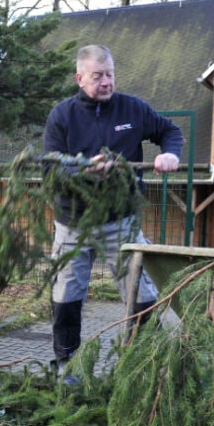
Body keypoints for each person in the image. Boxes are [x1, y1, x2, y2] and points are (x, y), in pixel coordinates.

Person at [42, 44, 183, 384]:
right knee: (67, 292)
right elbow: (51, 169)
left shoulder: (132, 108)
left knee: (140, 291)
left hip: (121, 220)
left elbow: (170, 131)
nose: (106, 83)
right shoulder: (62, 116)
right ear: (79, 78)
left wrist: (170, 154)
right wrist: (80, 172)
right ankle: (67, 364)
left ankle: (141, 360)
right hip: (73, 221)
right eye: (97, 76)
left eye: (110, 75)